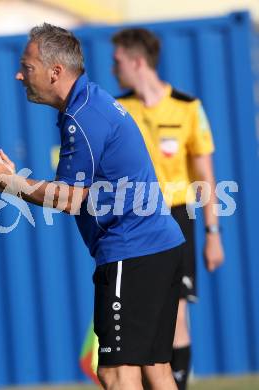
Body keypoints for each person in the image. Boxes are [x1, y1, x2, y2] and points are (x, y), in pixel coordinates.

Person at [0, 23, 186, 390]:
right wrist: (13, 179)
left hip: (134, 250)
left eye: (27, 66)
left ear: (55, 71)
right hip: (159, 246)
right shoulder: (87, 103)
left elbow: (68, 198)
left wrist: (4, 181)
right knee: (155, 368)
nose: (19, 75)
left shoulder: (83, 116)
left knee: (115, 371)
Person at [80, 28, 225, 390]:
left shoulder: (187, 107)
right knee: (138, 326)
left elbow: (205, 174)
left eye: (117, 62)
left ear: (137, 61)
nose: (112, 69)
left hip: (176, 217)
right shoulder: (118, 109)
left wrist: (212, 233)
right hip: (133, 220)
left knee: (174, 317)